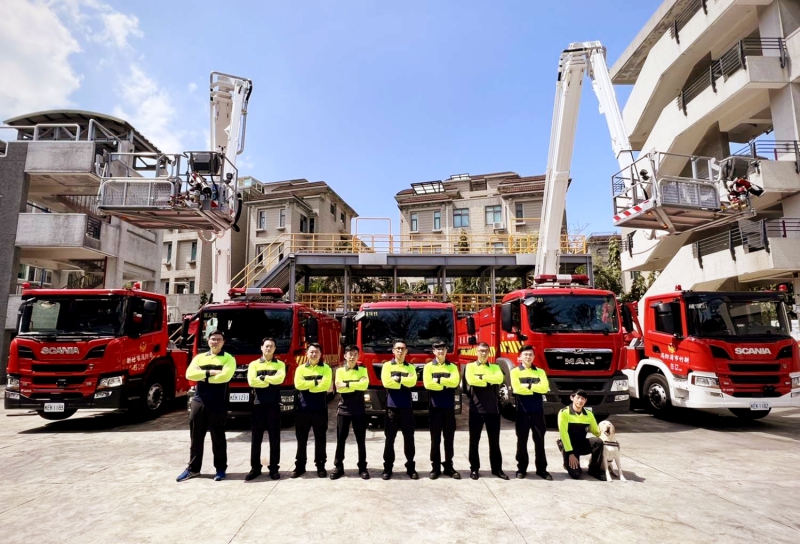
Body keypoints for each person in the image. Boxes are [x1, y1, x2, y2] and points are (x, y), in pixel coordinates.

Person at [177, 330, 236, 482]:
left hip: (218, 402)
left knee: (218, 437)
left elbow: (225, 376)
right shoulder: (199, 357)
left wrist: (203, 374)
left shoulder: (228, 358)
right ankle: (193, 468)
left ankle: (221, 469)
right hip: (198, 400)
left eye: (219, 339)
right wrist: (211, 372)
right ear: (208, 341)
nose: (215, 342)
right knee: (195, 436)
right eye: (213, 339)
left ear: (223, 342)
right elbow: (190, 374)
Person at [464, 342, 508, 480]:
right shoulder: (469, 367)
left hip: (493, 410)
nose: (483, 353)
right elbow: (471, 380)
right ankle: (474, 469)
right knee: (474, 441)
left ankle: (497, 469)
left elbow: (499, 379)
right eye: (481, 351)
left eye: (486, 351)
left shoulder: (496, 367)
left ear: (489, 353)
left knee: (494, 442)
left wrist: (482, 377)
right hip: (476, 409)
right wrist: (489, 380)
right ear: (476, 352)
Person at [245, 337, 286, 481]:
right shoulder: (253, 364)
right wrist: (270, 379)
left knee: (275, 438)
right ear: (261, 347)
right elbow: (251, 381)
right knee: (256, 438)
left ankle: (274, 468)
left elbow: (279, 380)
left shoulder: (280, 364)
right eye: (266, 346)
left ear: (275, 349)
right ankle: (255, 468)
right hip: (258, 405)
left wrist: (262, 378)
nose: (268, 349)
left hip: (274, 404)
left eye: (271, 346)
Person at [510, 345, 551, 480]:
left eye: (530, 355)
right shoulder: (515, 372)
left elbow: (544, 388)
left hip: (537, 412)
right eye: (525, 354)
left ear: (534, 357)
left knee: (540, 441)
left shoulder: (540, 372)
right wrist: (535, 388)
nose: (528, 357)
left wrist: (527, 386)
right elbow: (516, 389)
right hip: (522, 412)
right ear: (520, 357)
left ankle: (542, 469)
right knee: (522, 441)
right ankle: (521, 468)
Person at [292, 343, 332, 478]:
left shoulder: (326, 368)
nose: (314, 354)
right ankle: (300, 466)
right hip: (303, 409)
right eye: (311, 352)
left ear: (321, 354)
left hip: (320, 409)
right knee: (301, 439)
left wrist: (307, 385)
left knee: (320, 438)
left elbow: (325, 386)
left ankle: (321, 465)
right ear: (306, 354)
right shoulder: (300, 369)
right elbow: (298, 385)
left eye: (316, 352)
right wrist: (316, 383)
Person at [422, 341, 462, 480]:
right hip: (435, 407)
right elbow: (428, 384)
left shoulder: (452, 367)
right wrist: (446, 382)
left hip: (449, 407)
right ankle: (435, 467)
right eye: (437, 349)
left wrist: (438, 381)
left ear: (446, 351)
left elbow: (455, 382)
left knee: (449, 438)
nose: (440, 352)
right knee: (435, 439)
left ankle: (448, 466)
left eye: (443, 349)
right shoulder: (428, 367)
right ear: (433, 351)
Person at [380, 340, 419, 480]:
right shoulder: (386, 366)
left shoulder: (411, 367)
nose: (400, 351)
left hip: (407, 408)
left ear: (406, 351)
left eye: (403, 349)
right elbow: (386, 382)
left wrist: (396, 378)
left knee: (409, 438)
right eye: (398, 349)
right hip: (391, 407)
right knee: (389, 439)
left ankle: (410, 467)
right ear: (393, 351)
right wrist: (404, 379)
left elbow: (412, 382)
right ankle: (387, 468)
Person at [331, 345, 370, 480]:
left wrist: (347, 384)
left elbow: (364, 385)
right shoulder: (340, 371)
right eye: (349, 354)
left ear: (358, 356)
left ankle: (362, 467)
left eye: (354, 354)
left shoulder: (363, 370)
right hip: (343, 410)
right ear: (345, 356)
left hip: (359, 409)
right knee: (341, 439)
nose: (352, 357)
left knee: (361, 440)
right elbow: (339, 388)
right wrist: (355, 384)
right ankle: (338, 466)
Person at [558, 389, 605, 480]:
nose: (580, 401)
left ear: (585, 401)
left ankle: (593, 469)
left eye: (583, 398)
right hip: (569, 446)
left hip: (581, 444)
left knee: (598, 442)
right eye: (578, 397)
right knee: (576, 474)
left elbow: (596, 432)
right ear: (572, 398)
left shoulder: (589, 414)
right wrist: (570, 453)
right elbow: (563, 434)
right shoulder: (564, 413)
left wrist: (608, 433)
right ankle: (566, 460)